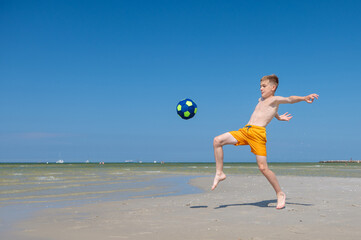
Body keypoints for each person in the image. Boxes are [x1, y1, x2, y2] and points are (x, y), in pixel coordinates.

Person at [211, 74, 319, 209]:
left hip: (258, 134)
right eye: (260, 86)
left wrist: (304, 98)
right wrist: (279, 118)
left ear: (273, 87)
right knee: (217, 141)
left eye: (264, 86)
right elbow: (269, 112)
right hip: (245, 131)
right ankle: (219, 173)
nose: (261, 89)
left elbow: (290, 99)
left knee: (263, 168)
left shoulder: (275, 99)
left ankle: (280, 194)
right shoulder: (262, 100)